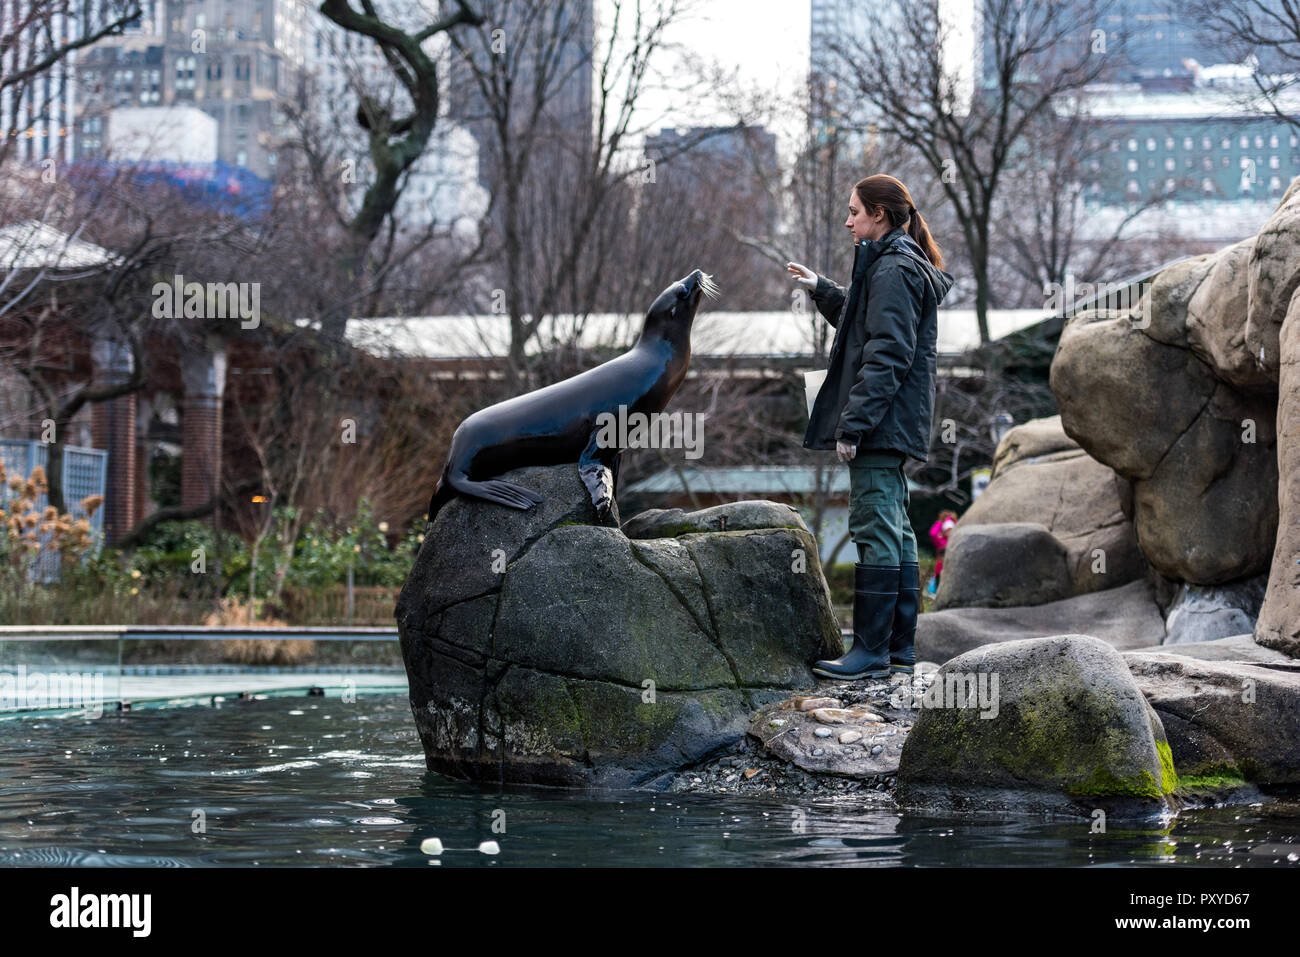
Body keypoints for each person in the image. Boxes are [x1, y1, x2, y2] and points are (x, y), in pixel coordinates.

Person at [787, 174, 954, 680]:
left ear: (879, 214)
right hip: (894, 423)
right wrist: (823, 290)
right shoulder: (896, 265)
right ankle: (897, 651)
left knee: (875, 528)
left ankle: (871, 653)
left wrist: (852, 425)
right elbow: (866, 327)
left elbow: (887, 356)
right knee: (897, 531)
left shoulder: (893, 270)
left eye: (855, 211)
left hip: (880, 425)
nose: (848, 219)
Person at [928, 509, 958, 595]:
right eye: (947, 529)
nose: (950, 531)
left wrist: (954, 520)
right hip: (940, 571)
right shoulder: (941, 541)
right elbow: (933, 533)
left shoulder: (956, 540)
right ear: (943, 530)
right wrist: (941, 521)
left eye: (951, 529)